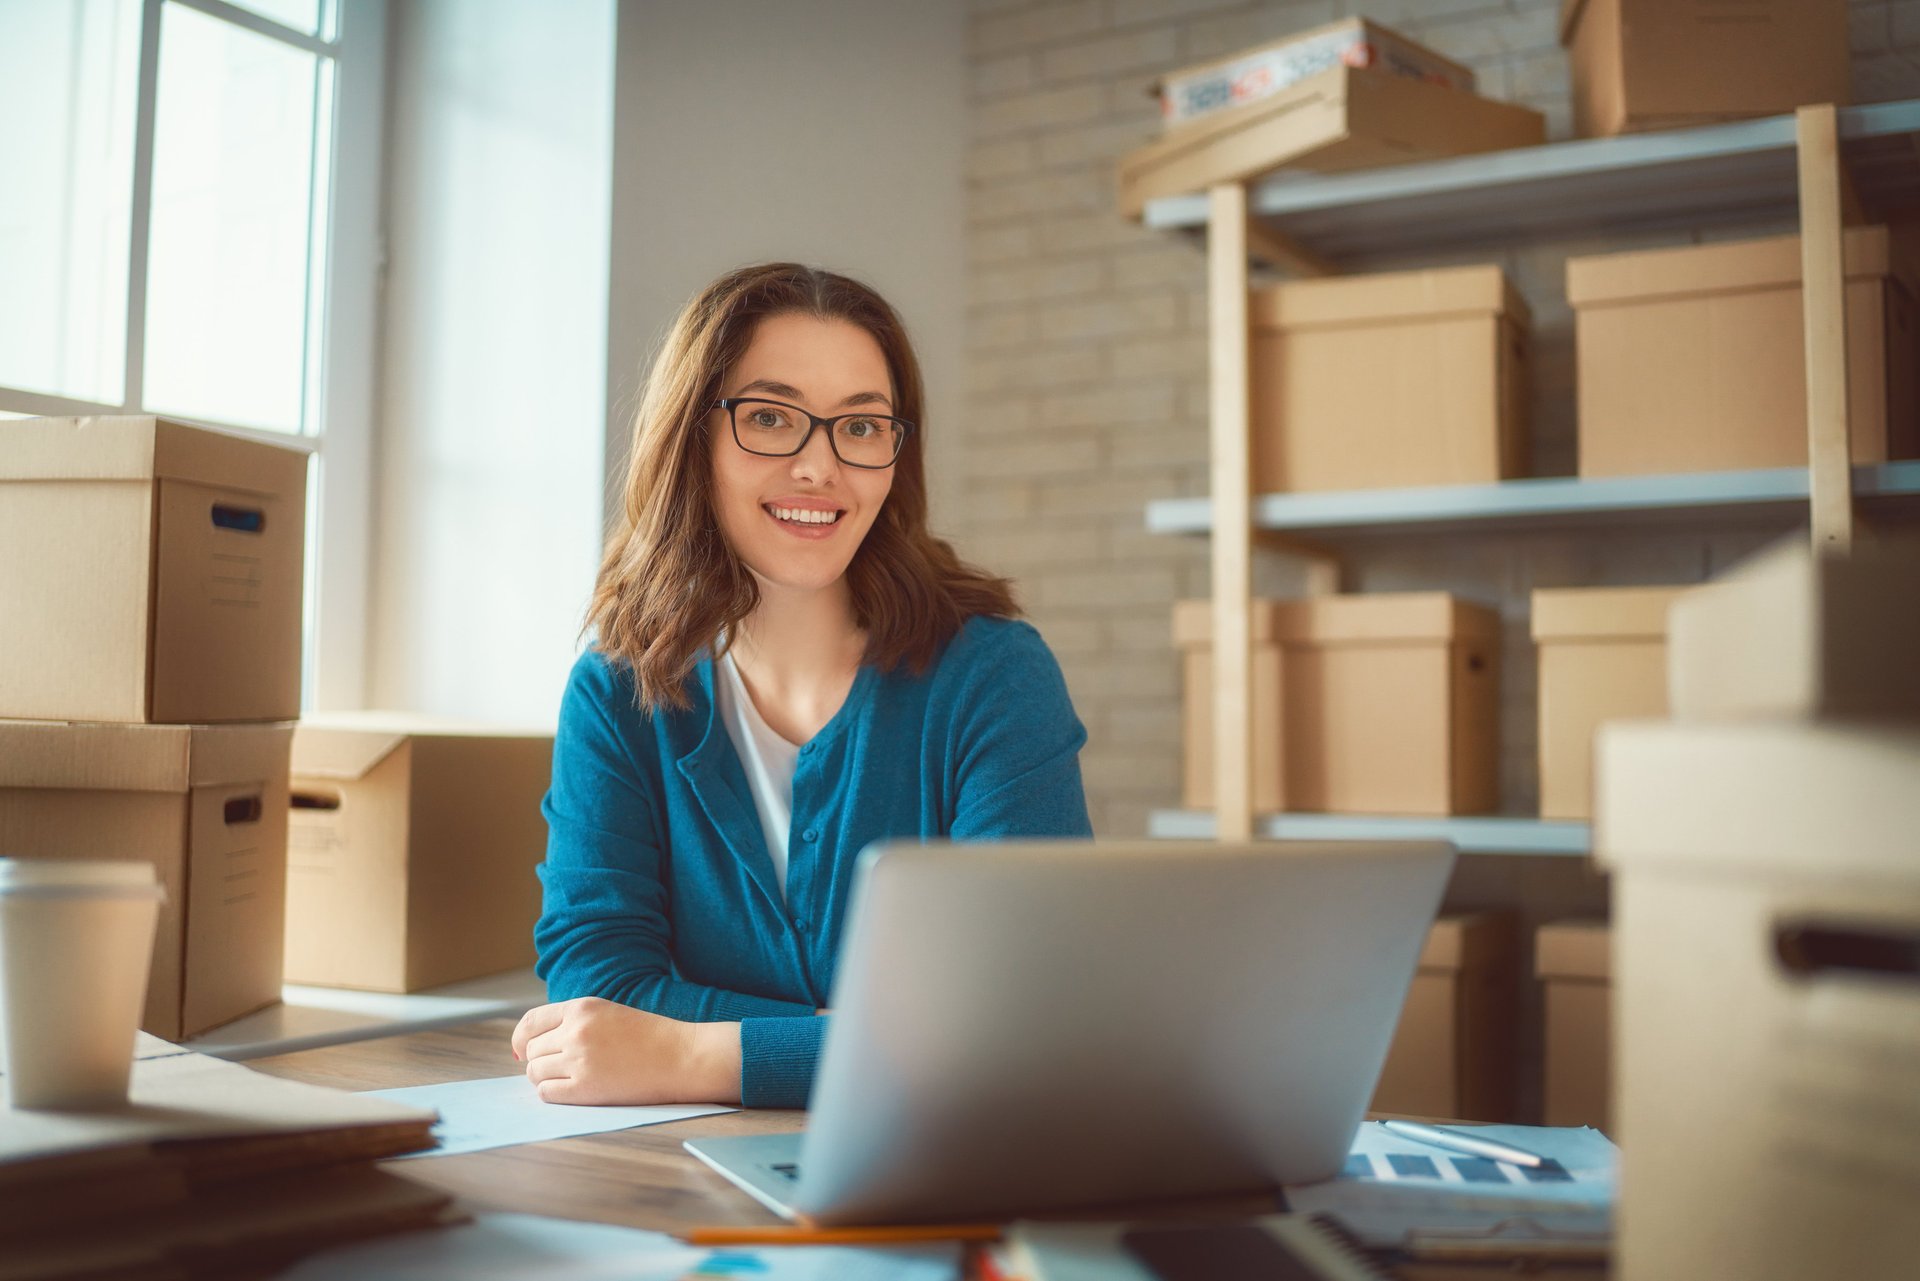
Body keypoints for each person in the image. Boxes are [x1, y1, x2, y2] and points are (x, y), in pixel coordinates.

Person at [510, 263, 1094, 1110]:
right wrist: (875, 1041)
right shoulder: (618, 689)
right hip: (679, 1169)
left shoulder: (994, 677)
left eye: (861, 426)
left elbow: (1019, 1021)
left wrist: (690, 1052)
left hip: (947, 1165)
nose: (820, 465)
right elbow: (597, 978)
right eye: (772, 418)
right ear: (693, 437)